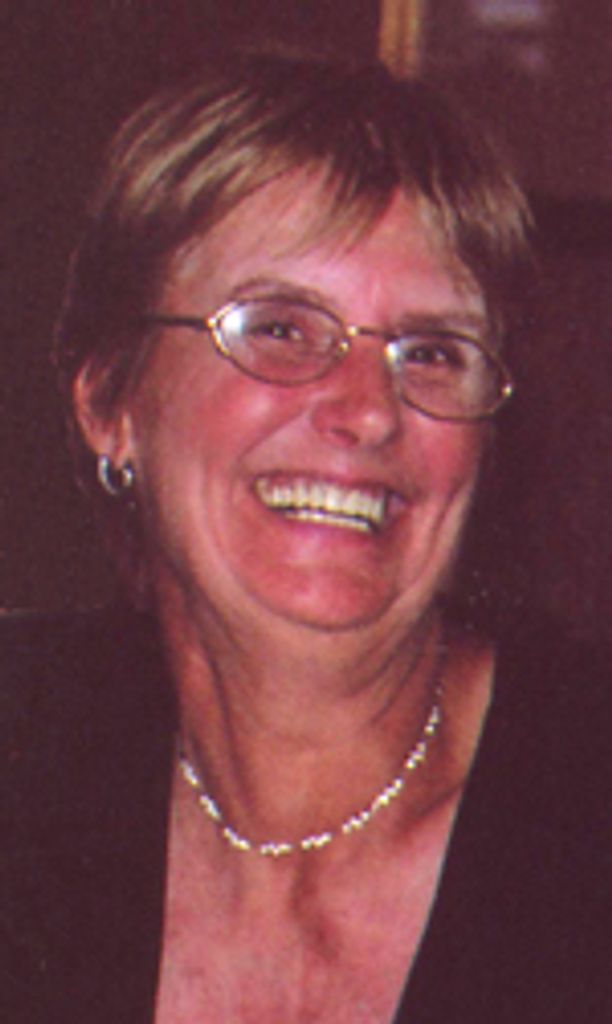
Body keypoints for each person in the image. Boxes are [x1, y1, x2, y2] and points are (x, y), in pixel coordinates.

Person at [2, 53, 610, 1023]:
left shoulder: (584, 816)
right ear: (109, 402)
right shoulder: (26, 750)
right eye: (280, 328)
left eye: (433, 351)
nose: (368, 411)